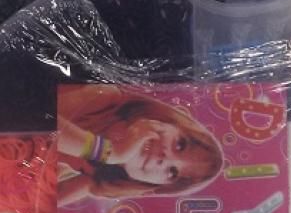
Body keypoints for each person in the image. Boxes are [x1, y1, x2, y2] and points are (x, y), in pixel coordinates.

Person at [57, 85, 223, 205]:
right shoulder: (106, 97)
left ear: (149, 183)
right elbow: (44, 122)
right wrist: (113, 153)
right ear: (169, 121)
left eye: (172, 172)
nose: (165, 158)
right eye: (180, 145)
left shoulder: (94, 176)